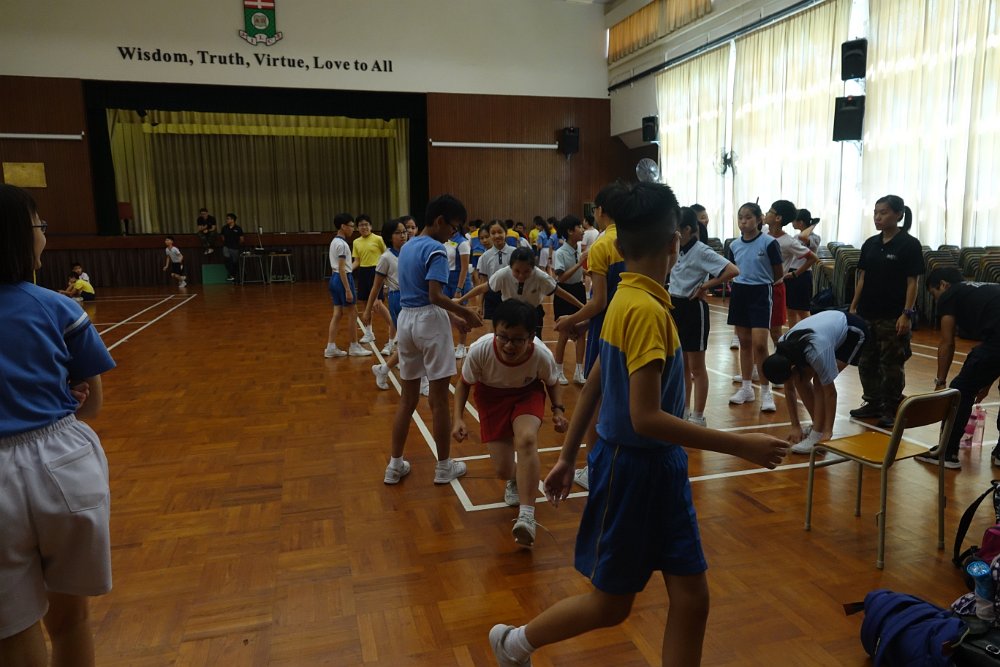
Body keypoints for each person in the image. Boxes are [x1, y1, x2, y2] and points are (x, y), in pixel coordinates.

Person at [488, 182, 787, 667]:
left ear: (620, 247)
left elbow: (595, 379)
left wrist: (566, 456)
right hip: (632, 469)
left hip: (660, 467)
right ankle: (514, 644)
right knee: (611, 604)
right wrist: (741, 445)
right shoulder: (643, 310)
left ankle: (515, 643)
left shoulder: (627, 296)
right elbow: (644, 418)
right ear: (675, 242)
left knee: (692, 596)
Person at [0, 184, 116, 666]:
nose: (45, 235)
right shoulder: (59, 307)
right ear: (18, 236)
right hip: (63, 464)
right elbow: (93, 404)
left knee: (12, 628)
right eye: (40, 225)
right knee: (71, 621)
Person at [383, 195, 483, 485]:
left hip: (406, 321)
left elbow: (420, 298)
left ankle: (394, 465)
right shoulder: (437, 249)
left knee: (408, 398)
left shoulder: (407, 247)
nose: (454, 233)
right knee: (439, 400)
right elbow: (435, 296)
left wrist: (453, 318)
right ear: (439, 221)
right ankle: (443, 467)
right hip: (429, 324)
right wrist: (465, 312)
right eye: (453, 226)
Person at [452, 299, 568, 548]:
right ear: (494, 330)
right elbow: (463, 384)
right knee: (503, 471)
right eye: (503, 337)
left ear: (531, 337)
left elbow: (552, 381)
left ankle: (527, 516)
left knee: (526, 439)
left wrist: (558, 409)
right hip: (491, 398)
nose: (508, 345)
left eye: (517, 340)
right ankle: (518, 477)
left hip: (527, 394)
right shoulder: (480, 350)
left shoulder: (540, 354)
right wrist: (458, 418)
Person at [848, 195, 925, 429]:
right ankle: (872, 402)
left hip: (893, 315)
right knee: (866, 361)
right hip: (867, 312)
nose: (877, 217)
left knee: (891, 364)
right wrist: (854, 307)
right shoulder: (870, 243)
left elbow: (913, 283)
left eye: (883, 213)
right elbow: (862, 278)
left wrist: (906, 313)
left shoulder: (909, 244)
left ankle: (891, 408)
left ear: (898, 215)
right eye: (875, 212)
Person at [915, 268, 1000, 469]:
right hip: (995, 341)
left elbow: (947, 343)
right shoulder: (985, 289)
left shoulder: (950, 295)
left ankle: (946, 452)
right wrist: (986, 381)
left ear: (943, 285)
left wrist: (941, 382)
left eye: (933, 294)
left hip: (996, 342)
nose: (936, 300)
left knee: (960, 391)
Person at [668, 208, 739, 427]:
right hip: (674, 306)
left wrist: (704, 286)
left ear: (687, 229)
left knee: (696, 367)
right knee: (681, 365)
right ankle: (683, 409)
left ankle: (698, 416)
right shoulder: (675, 248)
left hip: (693, 309)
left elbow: (732, 270)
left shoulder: (702, 251)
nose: (672, 232)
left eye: (676, 228)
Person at [761, 310, 868, 454]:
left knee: (819, 381)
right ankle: (817, 427)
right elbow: (789, 389)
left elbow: (830, 393)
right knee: (800, 380)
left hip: (852, 331)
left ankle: (818, 433)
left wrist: (827, 433)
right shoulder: (782, 348)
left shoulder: (816, 352)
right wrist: (795, 426)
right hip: (826, 330)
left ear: (792, 367)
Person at [726, 202, 783, 412]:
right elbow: (732, 269)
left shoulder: (769, 243)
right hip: (739, 293)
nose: (743, 221)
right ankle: (747, 388)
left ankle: (766, 393)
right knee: (744, 343)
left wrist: (761, 282)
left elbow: (778, 273)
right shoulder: (733, 245)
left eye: (748, 217)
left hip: (760, 293)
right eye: (740, 217)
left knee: (760, 344)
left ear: (759, 219)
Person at [462, 248, 584, 341]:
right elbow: (482, 288)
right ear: (511, 267)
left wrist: (582, 306)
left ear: (533, 268)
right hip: (508, 312)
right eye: (517, 271)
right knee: (505, 341)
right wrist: (461, 299)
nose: (521, 275)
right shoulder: (503, 274)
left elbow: (561, 292)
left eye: (526, 272)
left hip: (533, 313)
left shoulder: (541, 277)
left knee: (534, 343)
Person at [765, 200, 817, 347]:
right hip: (759, 287)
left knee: (778, 328)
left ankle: (802, 343)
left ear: (778, 218)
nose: (766, 213)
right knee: (789, 312)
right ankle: (792, 340)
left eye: (770, 211)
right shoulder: (761, 233)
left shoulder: (789, 241)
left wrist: (795, 274)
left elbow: (813, 257)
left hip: (780, 285)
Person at [325, 214, 372, 358]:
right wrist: (347, 289)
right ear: (343, 226)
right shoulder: (342, 244)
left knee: (338, 313)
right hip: (342, 278)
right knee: (353, 313)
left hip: (334, 278)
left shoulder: (334, 241)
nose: (353, 229)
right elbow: (342, 268)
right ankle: (354, 346)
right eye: (351, 226)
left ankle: (330, 347)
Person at [366, 219, 406, 387]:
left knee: (411, 341)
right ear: (389, 236)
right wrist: (368, 310)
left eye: (404, 231)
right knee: (409, 340)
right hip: (397, 298)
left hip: (412, 298)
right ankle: (422, 381)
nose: (403, 235)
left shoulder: (409, 252)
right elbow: (376, 286)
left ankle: (383, 369)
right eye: (398, 233)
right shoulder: (386, 257)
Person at [552, 215, 588, 385]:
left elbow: (577, 272)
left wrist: (588, 272)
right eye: (579, 227)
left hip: (579, 290)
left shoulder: (577, 249)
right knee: (564, 333)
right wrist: (580, 264)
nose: (582, 230)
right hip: (564, 293)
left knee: (581, 332)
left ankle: (579, 371)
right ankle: (558, 370)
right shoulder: (560, 253)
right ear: (570, 231)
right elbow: (561, 278)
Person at [351, 214, 391, 347]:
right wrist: (347, 270)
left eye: (366, 224)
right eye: (361, 225)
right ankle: (369, 332)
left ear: (371, 226)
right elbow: (357, 261)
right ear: (357, 228)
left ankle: (393, 328)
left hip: (377, 272)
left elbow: (387, 256)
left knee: (377, 303)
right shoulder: (356, 242)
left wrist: (386, 277)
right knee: (365, 303)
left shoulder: (379, 239)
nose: (364, 227)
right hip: (363, 272)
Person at [473, 220, 515, 322]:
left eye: (500, 232)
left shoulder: (515, 252)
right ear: (490, 235)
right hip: (492, 297)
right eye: (493, 233)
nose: (497, 236)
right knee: (492, 328)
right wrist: (479, 305)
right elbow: (483, 282)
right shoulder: (484, 257)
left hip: (512, 296)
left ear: (506, 232)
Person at [787, 208, 821, 327]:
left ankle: (809, 334)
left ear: (801, 222)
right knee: (790, 310)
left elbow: (803, 237)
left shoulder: (814, 238)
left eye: (794, 220)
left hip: (803, 274)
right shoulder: (796, 236)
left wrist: (813, 225)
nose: (792, 223)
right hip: (791, 273)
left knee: (803, 310)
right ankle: (792, 334)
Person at [445, 225, 473, 359]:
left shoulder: (462, 243)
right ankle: (446, 345)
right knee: (445, 313)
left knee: (461, 314)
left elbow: (464, 268)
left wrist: (459, 289)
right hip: (446, 279)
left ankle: (462, 346)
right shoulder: (444, 240)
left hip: (459, 280)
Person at [219, 213, 244, 282]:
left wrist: (237, 244)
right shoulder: (224, 228)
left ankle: (234, 276)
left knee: (235, 262)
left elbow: (242, 239)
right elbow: (222, 236)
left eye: (228, 219)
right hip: (226, 246)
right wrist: (226, 242)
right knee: (227, 260)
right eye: (227, 219)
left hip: (235, 248)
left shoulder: (238, 228)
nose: (227, 220)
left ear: (232, 220)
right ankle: (231, 275)